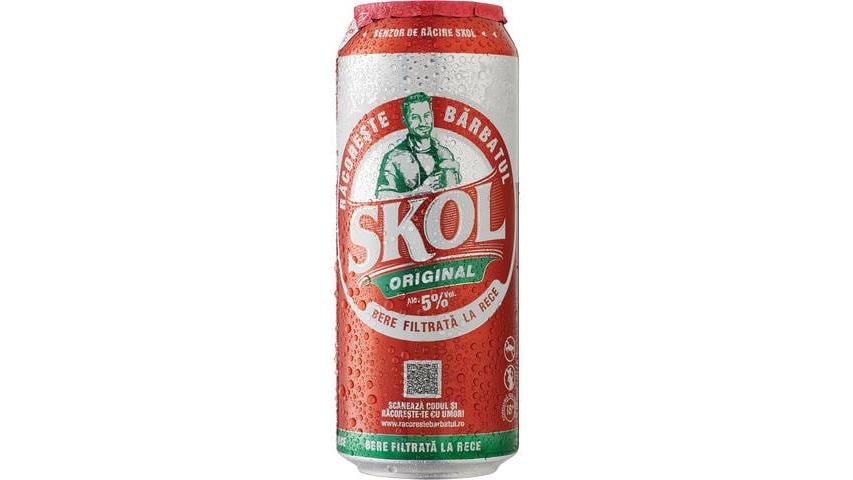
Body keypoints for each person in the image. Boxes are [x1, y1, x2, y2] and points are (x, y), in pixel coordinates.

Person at [375, 92, 461, 199]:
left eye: (427, 116)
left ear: (432, 116)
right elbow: (382, 196)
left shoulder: (444, 153)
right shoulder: (394, 157)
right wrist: (419, 192)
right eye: (415, 117)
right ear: (405, 120)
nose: (423, 122)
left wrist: (455, 177)